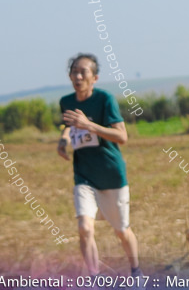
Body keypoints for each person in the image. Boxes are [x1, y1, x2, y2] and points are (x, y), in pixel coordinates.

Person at [58, 53, 142, 278]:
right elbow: (70, 126)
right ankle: (94, 280)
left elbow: (122, 137)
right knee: (85, 228)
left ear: (94, 78)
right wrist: (64, 139)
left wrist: (90, 125)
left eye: (83, 72)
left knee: (122, 231)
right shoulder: (66, 102)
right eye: (74, 71)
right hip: (84, 175)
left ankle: (136, 272)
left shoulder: (105, 100)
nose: (78, 76)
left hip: (111, 175)